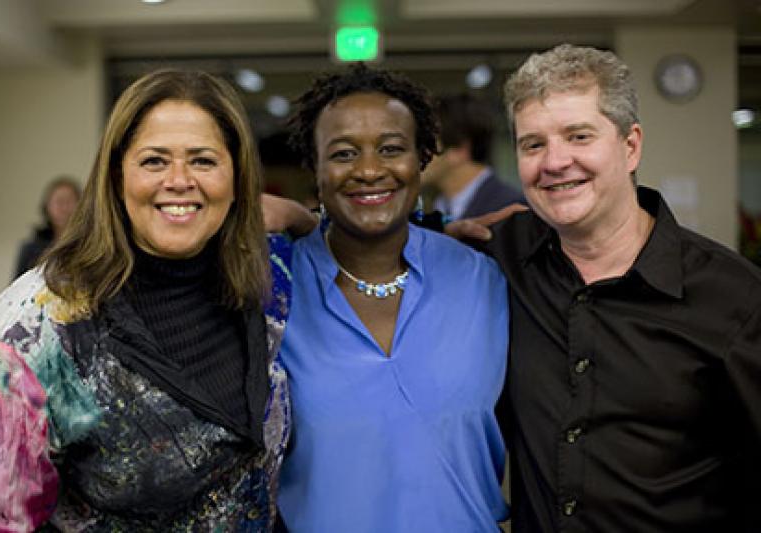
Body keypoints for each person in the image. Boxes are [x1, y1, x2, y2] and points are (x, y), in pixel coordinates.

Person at [0, 69, 293, 532]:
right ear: (117, 176)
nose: (179, 180)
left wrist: (302, 218)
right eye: (155, 161)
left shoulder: (265, 279)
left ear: (237, 176)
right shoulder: (29, 334)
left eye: (203, 160)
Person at [480, 44, 761, 531]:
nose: (555, 161)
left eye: (578, 135)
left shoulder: (735, 296)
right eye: (533, 144)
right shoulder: (498, 260)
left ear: (631, 146)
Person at [276, 63, 510, 532]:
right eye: (343, 153)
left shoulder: (483, 280)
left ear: (423, 157)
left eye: (391, 149)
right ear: (315, 166)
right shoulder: (275, 292)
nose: (368, 170)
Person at [421, 93, 523, 220]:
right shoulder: (438, 208)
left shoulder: (511, 211)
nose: (414, 155)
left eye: (425, 144)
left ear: (458, 150)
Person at [14, 176, 81, 278]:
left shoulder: (90, 245)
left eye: (69, 201)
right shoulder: (31, 250)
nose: (64, 208)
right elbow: (17, 288)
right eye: (59, 202)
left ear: (81, 205)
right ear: (47, 207)